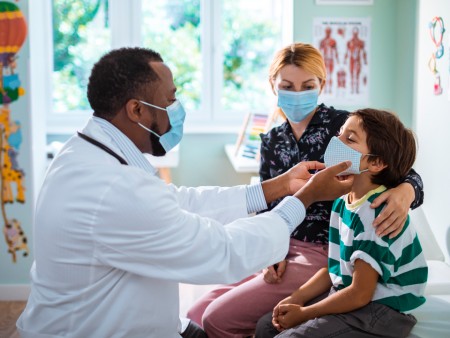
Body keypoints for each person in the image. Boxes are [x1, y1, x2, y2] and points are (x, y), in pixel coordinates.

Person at [15, 47, 355, 338]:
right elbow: (223, 252)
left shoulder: (87, 155)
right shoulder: (112, 189)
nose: (177, 109)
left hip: (117, 320)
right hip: (94, 329)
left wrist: (278, 187)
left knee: (207, 321)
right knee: (208, 316)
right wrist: (304, 198)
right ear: (137, 110)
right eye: (171, 99)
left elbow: (179, 201)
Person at [186, 43, 424, 338]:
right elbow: (267, 203)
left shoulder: (343, 126)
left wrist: (406, 192)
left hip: (325, 250)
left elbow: (400, 168)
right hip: (282, 244)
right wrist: (271, 246)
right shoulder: (272, 140)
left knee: (217, 318)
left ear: (321, 84)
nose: (297, 94)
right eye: (287, 86)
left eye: (307, 86)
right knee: (195, 314)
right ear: (273, 86)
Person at [255, 108, 428, 338]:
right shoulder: (342, 203)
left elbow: (360, 294)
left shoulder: (375, 213)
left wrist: (305, 313)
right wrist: (297, 297)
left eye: (350, 138)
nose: (336, 141)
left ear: (376, 163)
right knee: (266, 326)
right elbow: (335, 269)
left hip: (382, 310)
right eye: (339, 133)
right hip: (354, 292)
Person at [344, 27, 367, 94]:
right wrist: (345, 60)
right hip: (351, 60)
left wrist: (365, 60)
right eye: (354, 32)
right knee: (351, 74)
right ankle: (352, 89)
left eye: (356, 32)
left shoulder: (361, 42)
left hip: (358, 60)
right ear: (352, 33)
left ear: (358, 33)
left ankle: (356, 89)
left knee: (357, 75)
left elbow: (364, 52)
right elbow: (347, 51)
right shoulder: (349, 42)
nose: (355, 34)